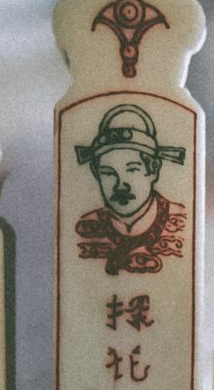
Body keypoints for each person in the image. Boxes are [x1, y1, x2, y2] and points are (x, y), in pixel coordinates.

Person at [72, 103, 187, 275]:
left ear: (154, 170)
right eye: (108, 173)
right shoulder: (85, 226)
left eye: (132, 170)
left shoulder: (182, 221)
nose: (120, 185)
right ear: (96, 174)